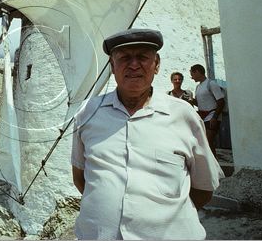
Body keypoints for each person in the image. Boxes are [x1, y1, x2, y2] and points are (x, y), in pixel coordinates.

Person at [71, 29, 223, 240]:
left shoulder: (183, 114)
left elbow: (203, 189)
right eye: (124, 58)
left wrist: (163, 219)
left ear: (157, 64)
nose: (134, 65)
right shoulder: (88, 112)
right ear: (112, 67)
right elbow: (81, 177)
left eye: (142, 57)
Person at [190, 64, 225, 158]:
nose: (192, 77)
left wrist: (215, 117)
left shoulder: (211, 83)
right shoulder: (198, 87)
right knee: (205, 142)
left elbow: (221, 101)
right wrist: (192, 101)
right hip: (203, 117)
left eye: (192, 74)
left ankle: (214, 165)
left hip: (212, 115)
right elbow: (200, 104)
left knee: (208, 141)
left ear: (197, 71)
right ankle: (211, 164)